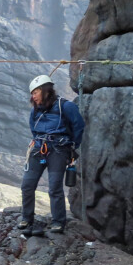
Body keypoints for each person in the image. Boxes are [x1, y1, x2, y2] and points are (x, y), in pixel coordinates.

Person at [19, 74, 85, 234]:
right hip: (39, 149)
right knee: (27, 185)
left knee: (54, 187)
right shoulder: (35, 111)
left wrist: (72, 147)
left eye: (35, 92)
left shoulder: (66, 106)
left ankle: (58, 222)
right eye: (32, 93)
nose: (32, 96)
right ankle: (27, 219)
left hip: (59, 150)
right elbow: (33, 129)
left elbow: (79, 126)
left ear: (45, 90)